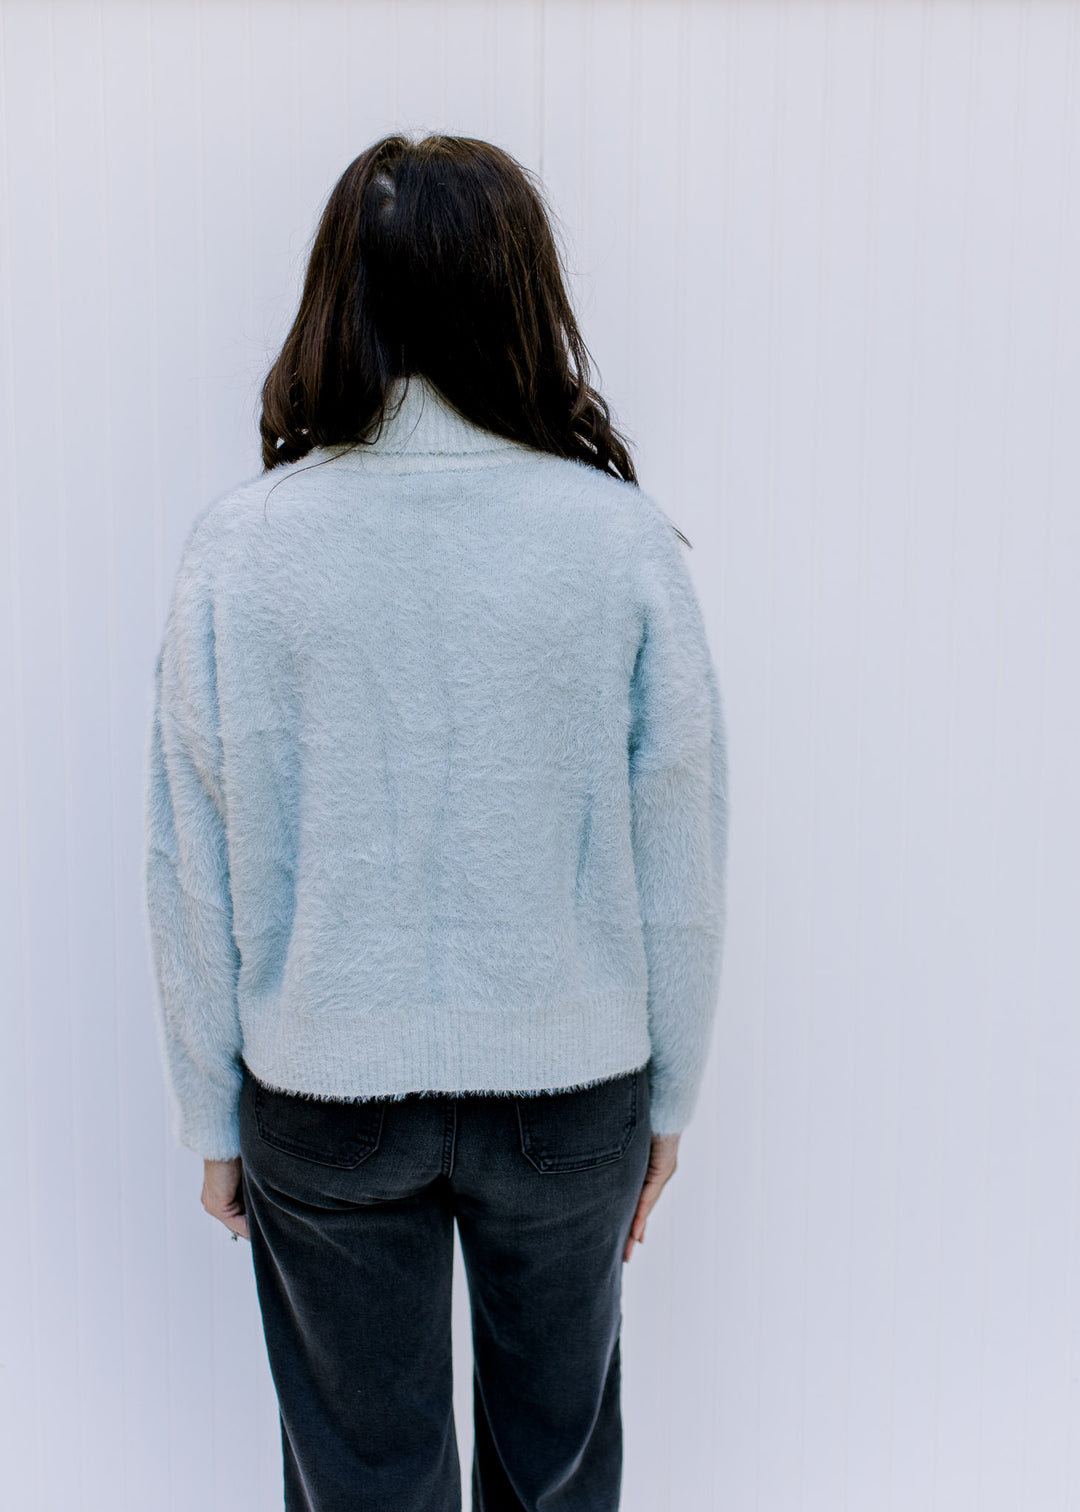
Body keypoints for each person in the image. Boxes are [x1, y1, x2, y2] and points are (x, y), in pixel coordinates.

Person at [143, 131, 729, 1512]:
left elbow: (191, 863)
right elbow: (679, 853)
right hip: (570, 1093)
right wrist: (675, 1097)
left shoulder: (242, 547)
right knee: (560, 1473)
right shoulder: (616, 540)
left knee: (363, 1485)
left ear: (335, 297)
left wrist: (208, 1115)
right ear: (523, 295)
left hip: (321, 1098)